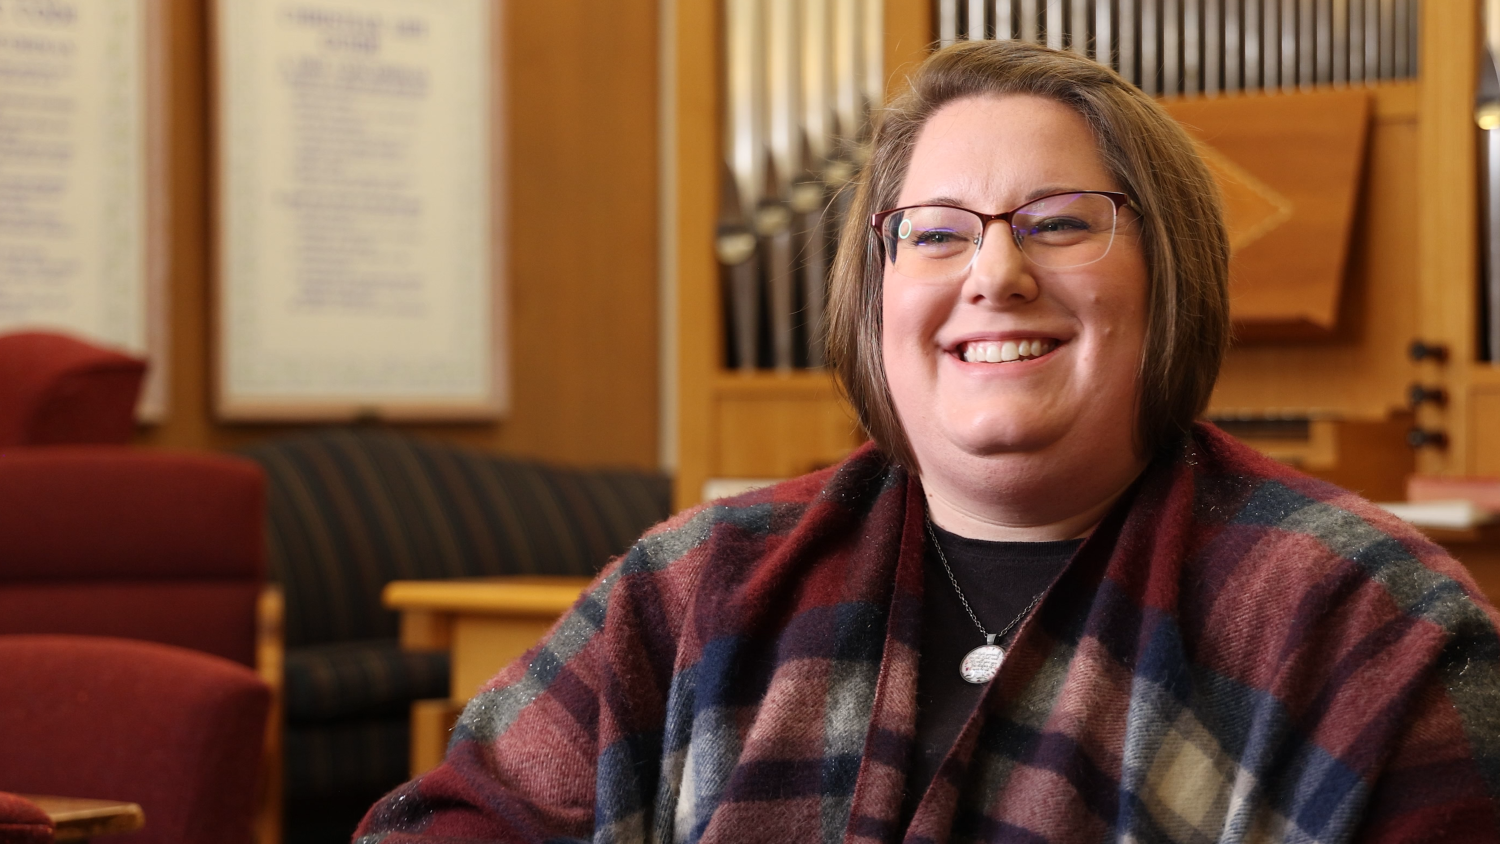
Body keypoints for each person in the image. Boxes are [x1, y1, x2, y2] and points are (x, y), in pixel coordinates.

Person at [356, 40, 1500, 843]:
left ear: (1173, 274)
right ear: (876, 298)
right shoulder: (692, 583)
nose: (995, 274)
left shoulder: (1373, 626)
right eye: (937, 234)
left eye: (1061, 223)